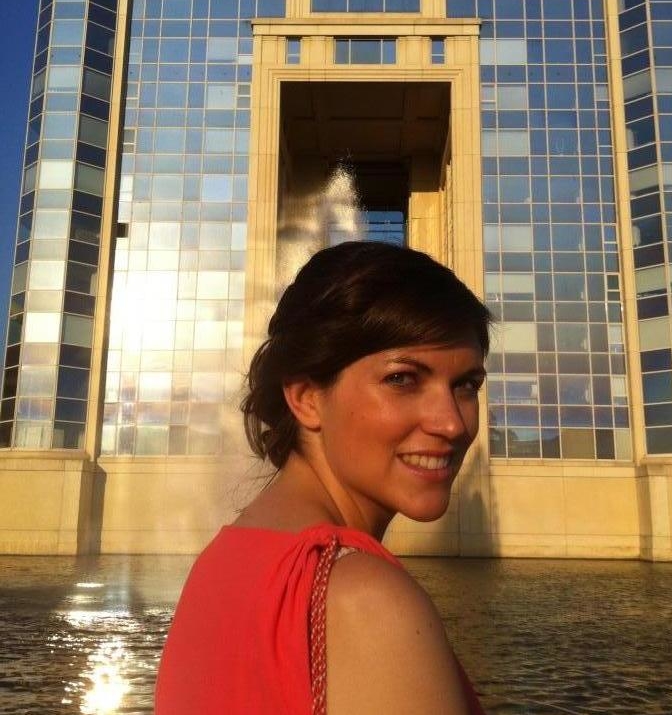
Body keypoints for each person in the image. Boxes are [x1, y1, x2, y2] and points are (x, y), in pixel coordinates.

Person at [155, 241, 491, 714]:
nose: (452, 423)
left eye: (466, 385)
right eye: (402, 379)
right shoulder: (367, 602)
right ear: (306, 398)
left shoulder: (223, 562)